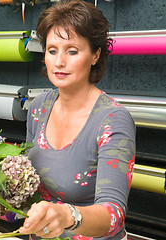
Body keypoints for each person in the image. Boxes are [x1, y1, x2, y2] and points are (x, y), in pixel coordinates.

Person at [18, 0, 136, 239]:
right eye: (52, 50)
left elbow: (113, 214)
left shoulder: (113, 120)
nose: (59, 61)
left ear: (95, 55)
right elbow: (26, 181)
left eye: (72, 51)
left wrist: (67, 216)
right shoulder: (39, 107)